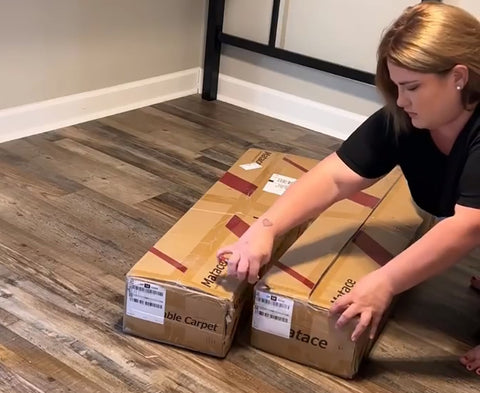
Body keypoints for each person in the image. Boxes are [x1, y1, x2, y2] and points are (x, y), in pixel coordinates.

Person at [216, 2, 480, 376]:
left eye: (413, 87)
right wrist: (265, 230)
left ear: (458, 77)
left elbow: (468, 226)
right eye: (396, 86)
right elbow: (337, 176)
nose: (402, 100)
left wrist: (384, 282)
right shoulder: (404, 117)